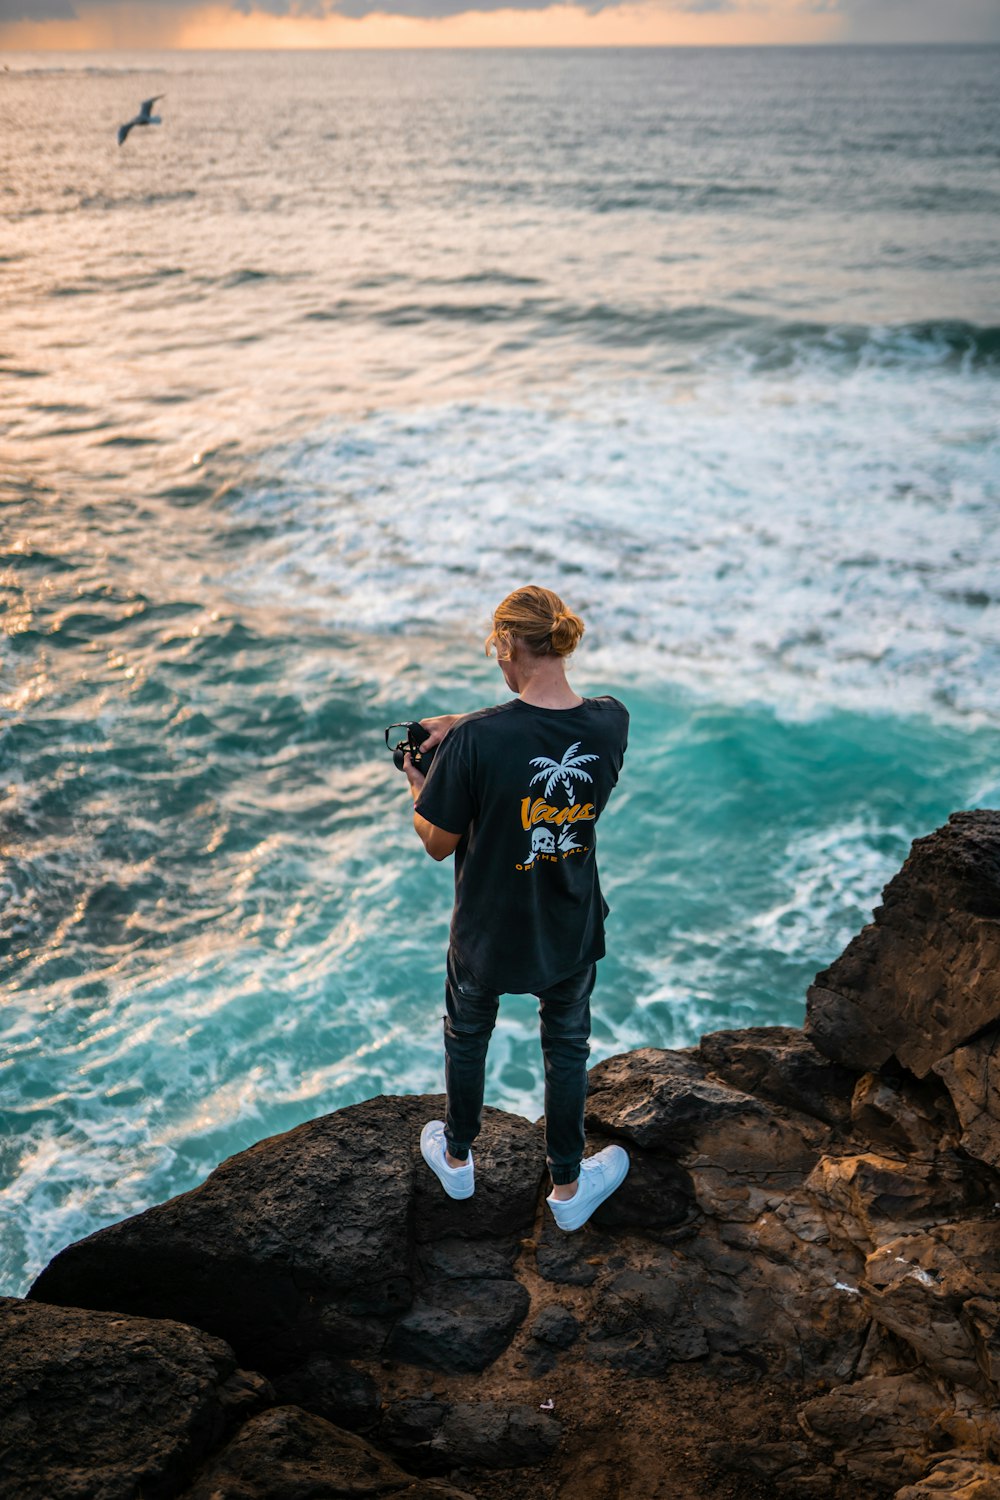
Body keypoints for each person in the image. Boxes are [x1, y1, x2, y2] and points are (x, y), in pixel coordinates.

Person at [400, 584, 630, 1232]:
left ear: (505, 646)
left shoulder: (477, 745)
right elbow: (536, 718)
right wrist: (460, 723)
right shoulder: (612, 721)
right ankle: (567, 1185)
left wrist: (421, 790)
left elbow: (439, 845)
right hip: (568, 920)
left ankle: (457, 1156)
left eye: (495, 649)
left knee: (468, 1036)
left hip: (488, 930)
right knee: (566, 1046)